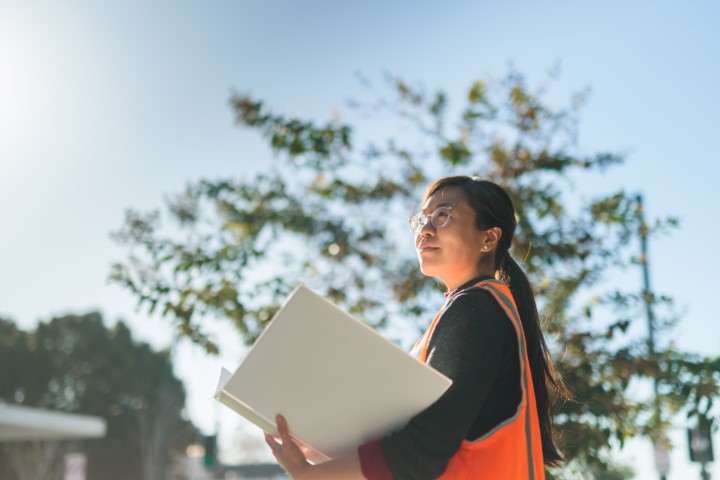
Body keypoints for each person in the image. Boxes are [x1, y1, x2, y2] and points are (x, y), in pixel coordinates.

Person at [265, 175, 568, 479]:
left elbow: (425, 448)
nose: (425, 230)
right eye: (421, 219)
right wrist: (323, 448)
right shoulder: (481, 308)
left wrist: (310, 474)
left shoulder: (475, 309)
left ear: (488, 238)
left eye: (442, 215)